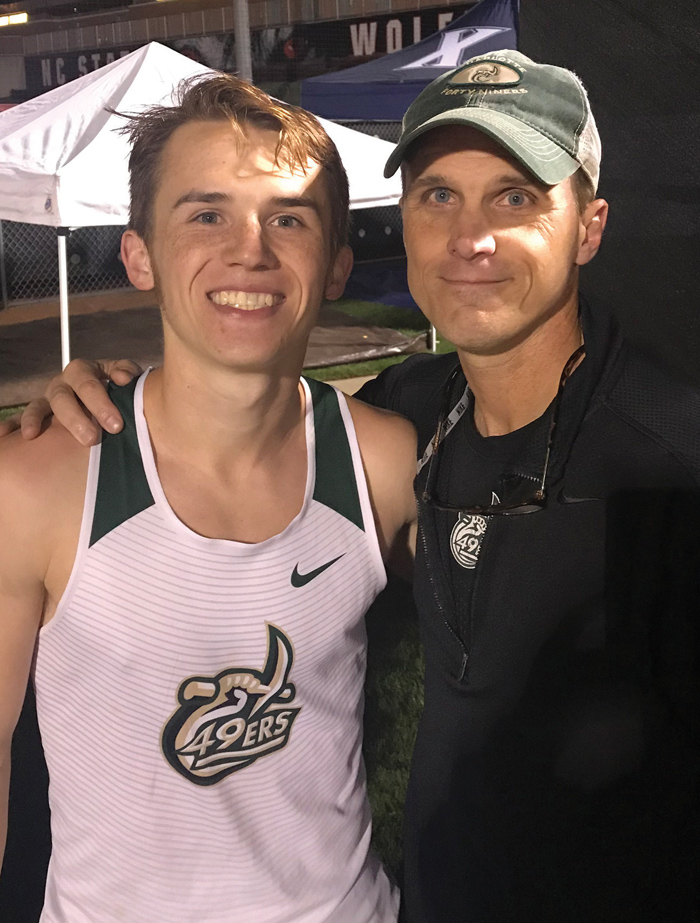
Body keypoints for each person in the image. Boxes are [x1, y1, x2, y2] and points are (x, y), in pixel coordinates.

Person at [7, 51, 700, 923]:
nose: (249, 249)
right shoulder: (406, 423)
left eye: (514, 197)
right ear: (138, 254)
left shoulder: (641, 463)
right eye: (439, 195)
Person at [0, 75, 418, 922]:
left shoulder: (384, 463)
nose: (249, 250)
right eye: (206, 215)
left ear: (336, 265)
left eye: (289, 219)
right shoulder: (40, 480)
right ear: (139, 256)